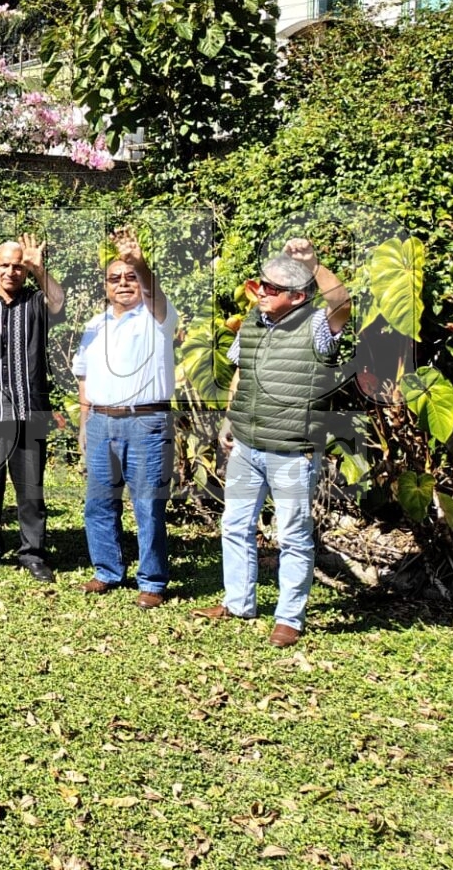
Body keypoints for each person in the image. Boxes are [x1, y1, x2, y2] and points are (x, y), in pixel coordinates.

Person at [195, 239, 350, 647]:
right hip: (246, 444)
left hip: (292, 449)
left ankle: (289, 619)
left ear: (297, 296)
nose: (260, 291)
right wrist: (230, 421)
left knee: (294, 536)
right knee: (235, 524)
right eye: (258, 284)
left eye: (271, 287)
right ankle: (238, 602)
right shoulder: (251, 323)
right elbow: (242, 373)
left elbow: (342, 303)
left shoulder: (317, 326)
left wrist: (313, 263)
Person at [72, 233, 178, 606]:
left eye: (129, 277)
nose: (123, 283)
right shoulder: (94, 324)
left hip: (146, 423)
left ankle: (151, 581)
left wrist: (139, 262)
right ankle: (107, 571)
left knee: (148, 505)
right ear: (105, 287)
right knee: (99, 503)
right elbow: (82, 376)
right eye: (115, 278)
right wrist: (85, 423)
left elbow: (153, 293)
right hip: (101, 421)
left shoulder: (157, 317)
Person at [0, 235, 65, 582]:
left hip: (28, 410)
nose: (11, 271)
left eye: (18, 265)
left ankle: (32, 553)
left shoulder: (36, 302)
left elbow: (58, 302)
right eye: (4, 265)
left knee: (31, 488)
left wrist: (39, 269)